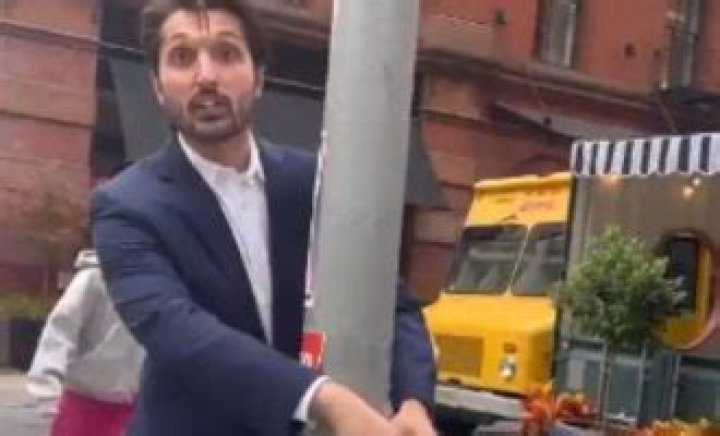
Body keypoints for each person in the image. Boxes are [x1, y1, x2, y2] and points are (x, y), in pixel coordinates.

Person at [91, 1, 436, 435]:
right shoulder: (126, 205)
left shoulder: (314, 183)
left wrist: (413, 402)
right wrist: (325, 398)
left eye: (226, 53)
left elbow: (390, 301)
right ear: (157, 87)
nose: (206, 76)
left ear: (259, 77)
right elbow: (177, 332)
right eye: (182, 57)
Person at [26, 248, 144, 436]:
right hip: (83, 404)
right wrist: (47, 388)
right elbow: (61, 329)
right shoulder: (93, 277)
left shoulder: (160, 283)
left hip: (132, 407)